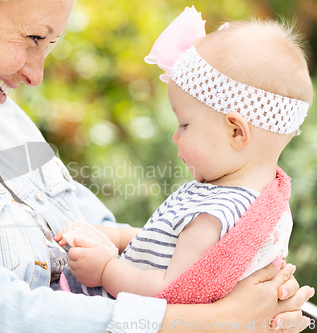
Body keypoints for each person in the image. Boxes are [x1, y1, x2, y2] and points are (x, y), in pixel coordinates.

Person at [0, 1, 312, 332]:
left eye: (49, 45)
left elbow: (86, 226)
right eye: (33, 37)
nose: (36, 74)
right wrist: (212, 322)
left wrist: (257, 295)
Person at [54, 10, 314, 303]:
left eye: (185, 124)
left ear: (237, 133)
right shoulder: (244, 197)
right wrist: (118, 237)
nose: (175, 136)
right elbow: (169, 243)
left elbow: (170, 290)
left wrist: (105, 270)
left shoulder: (214, 216)